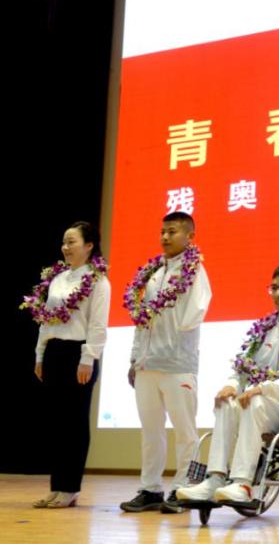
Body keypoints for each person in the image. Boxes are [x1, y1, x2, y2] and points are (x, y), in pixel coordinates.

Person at [177, 262, 279, 503]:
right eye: (274, 288)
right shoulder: (264, 330)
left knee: (255, 402)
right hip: (261, 404)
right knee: (227, 402)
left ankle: (243, 483)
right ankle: (215, 479)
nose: (278, 294)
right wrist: (231, 385)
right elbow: (243, 368)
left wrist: (264, 388)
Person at [120, 211, 212, 513]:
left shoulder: (194, 270)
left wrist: (171, 340)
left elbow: (194, 314)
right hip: (147, 365)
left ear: (190, 236)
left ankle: (183, 489)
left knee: (185, 431)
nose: (165, 237)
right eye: (162, 231)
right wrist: (135, 359)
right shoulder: (154, 272)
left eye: (172, 231)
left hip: (177, 364)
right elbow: (142, 320)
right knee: (151, 431)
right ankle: (150, 489)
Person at [23, 221, 110, 509]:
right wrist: (40, 354)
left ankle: (70, 487)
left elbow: (97, 325)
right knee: (57, 423)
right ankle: (56, 486)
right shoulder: (58, 279)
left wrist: (88, 358)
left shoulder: (98, 281)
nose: (65, 247)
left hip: (78, 355)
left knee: (74, 423)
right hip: (54, 353)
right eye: (64, 242)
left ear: (89, 246)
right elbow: (46, 320)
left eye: (72, 242)